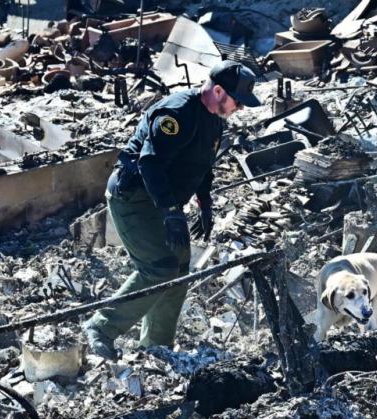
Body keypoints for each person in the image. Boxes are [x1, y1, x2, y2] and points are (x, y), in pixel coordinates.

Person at [83, 60, 261, 359]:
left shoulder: (214, 118)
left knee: (178, 270)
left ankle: (156, 346)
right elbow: (149, 163)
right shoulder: (176, 113)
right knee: (158, 268)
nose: (239, 109)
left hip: (165, 200)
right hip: (134, 197)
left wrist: (204, 202)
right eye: (237, 102)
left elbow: (202, 164)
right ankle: (100, 328)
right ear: (218, 91)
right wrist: (171, 212)